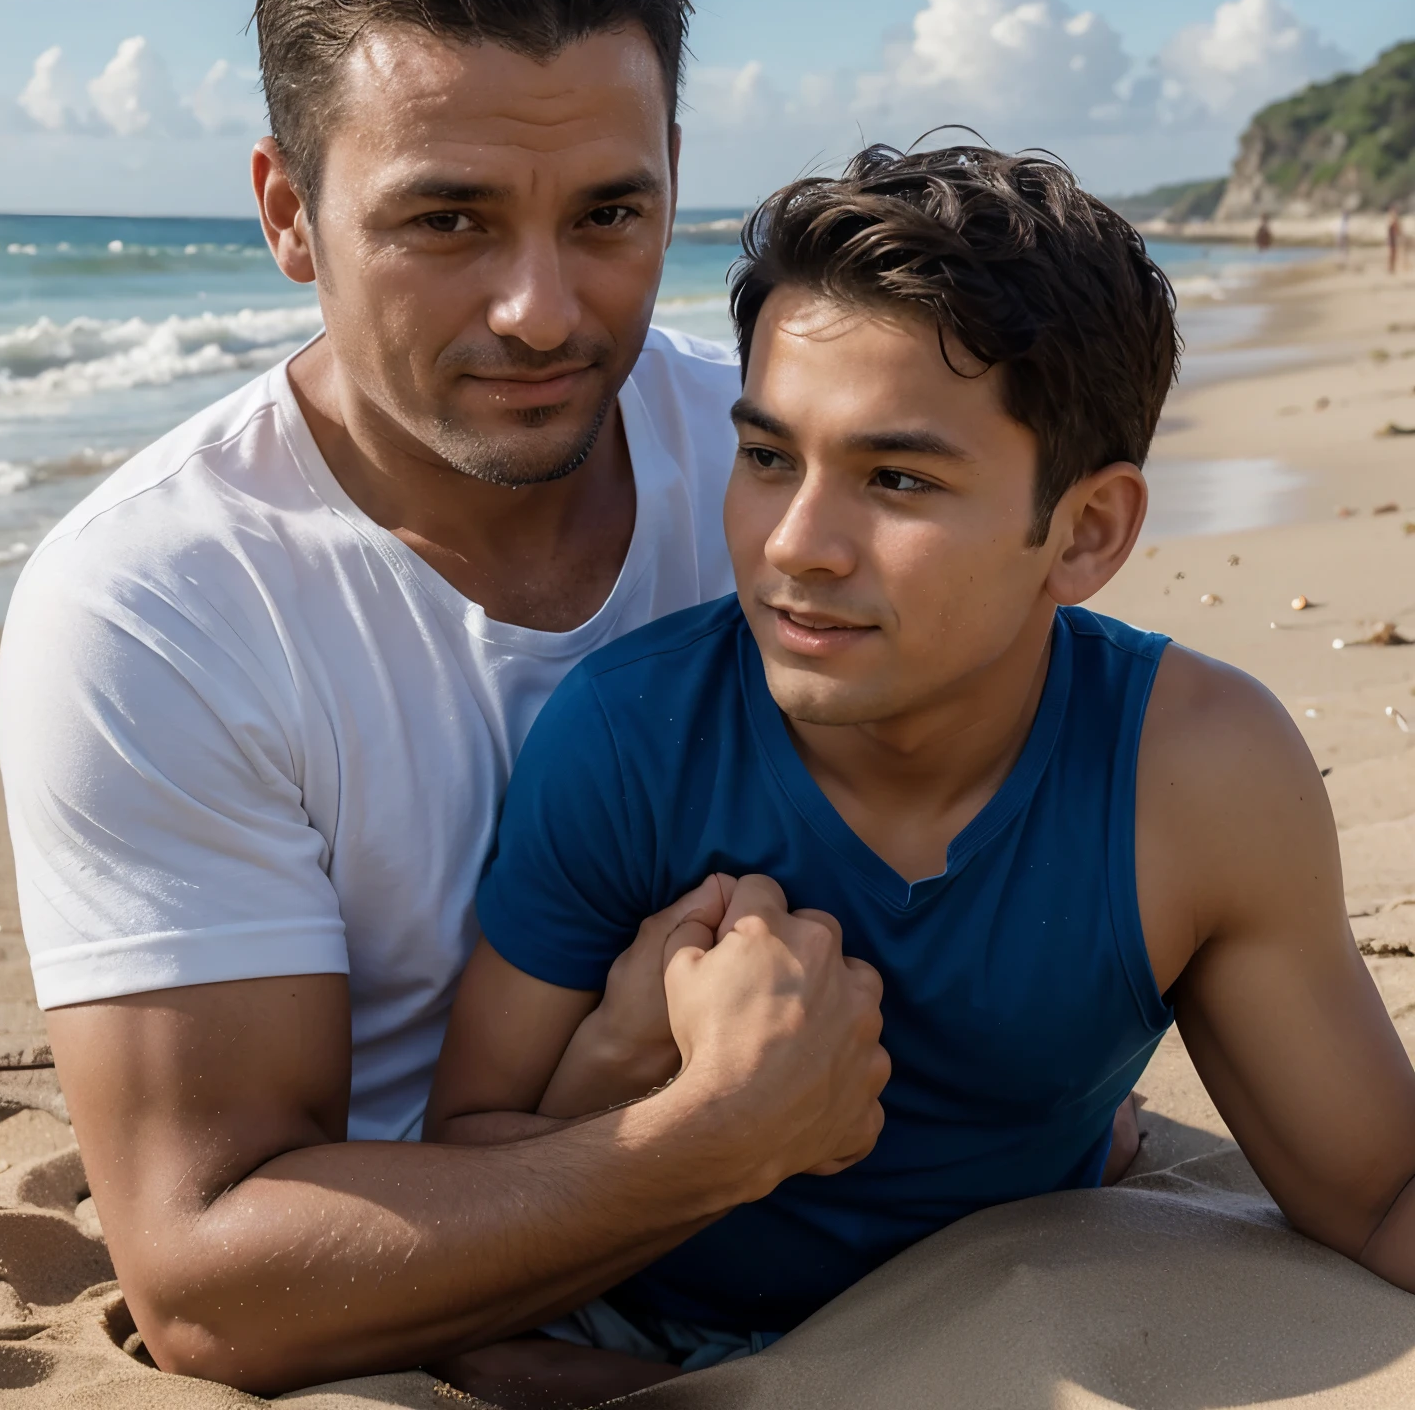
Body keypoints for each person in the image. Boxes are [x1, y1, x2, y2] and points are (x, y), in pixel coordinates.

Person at [0, 0, 886, 1398]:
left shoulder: (786, 487)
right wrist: (708, 1143)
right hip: (435, 1308)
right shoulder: (160, 605)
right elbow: (210, 1280)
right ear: (290, 213)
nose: (543, 311)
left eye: (610, 213)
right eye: (446, 219)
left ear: (675, 175)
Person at [427, 145, 1415, 1391]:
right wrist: (664, 1090)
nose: (795, 545)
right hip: (634, 1332)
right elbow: (465, 1161)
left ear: (1086, 531)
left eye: (896, 478)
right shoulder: (632, 739)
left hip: (997, 1313)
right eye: (770, 456)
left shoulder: (1193, 776)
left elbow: (1377, 1196)